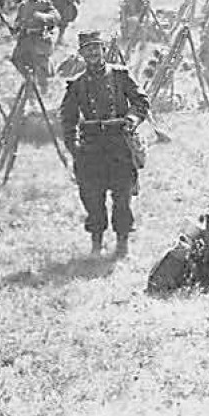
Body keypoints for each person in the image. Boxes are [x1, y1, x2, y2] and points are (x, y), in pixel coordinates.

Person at [59, 30, 150, 258]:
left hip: (119, 143)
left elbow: (141, 101)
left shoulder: (120, 76)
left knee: (122, 196)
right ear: (81, 54)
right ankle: (96, 244)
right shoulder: (77, 85)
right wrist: (74, 148)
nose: (92, 53)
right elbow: (67, 119)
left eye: (95, 48)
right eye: (87, 50)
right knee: (92, 197)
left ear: (102, 50)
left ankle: (122, 243)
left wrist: (132, 119)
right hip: (91, 147)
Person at [11, 0, 60, 84]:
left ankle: (41, 86)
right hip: (25, 38)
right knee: (16, 59)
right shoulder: (23, 5)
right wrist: (16, 27)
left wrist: (42, 16)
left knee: (41, 67)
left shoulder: (45, 3)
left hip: (39, 38)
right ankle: (29, 79)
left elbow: (55, 17)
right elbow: (18, 21)